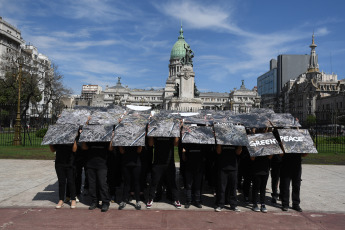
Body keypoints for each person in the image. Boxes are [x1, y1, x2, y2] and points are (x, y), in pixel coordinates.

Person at [146, 136, 181, 209]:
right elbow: (150, 144)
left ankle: (176, 199)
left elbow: (176, 144)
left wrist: (176, 132)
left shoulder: (172, 129)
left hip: (169, 162)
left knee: (172, 182)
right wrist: (151, 133)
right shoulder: (156, 129)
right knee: (154, 181)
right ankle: (150, 199)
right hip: (157, 162)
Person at [82, 136, 113, 212]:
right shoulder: (90, 136)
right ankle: (94, 201)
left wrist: (111, 138)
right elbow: (84, 147)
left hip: (102, 164)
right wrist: (83, 137)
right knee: (92, 184)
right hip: (90, 164)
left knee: (102, 184)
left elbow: (110, 148)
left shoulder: (105, 135)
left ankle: (105, 202)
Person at [50, 137, 78, 209]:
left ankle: (73, 199)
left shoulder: (72, 137)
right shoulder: (59, 138)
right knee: (61, 182)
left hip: (70, 163)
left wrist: (75, 140)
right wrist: (49, 141)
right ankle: (61, 200)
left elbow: (74, 150)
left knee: (71, 181)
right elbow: (53, 150)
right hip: (59, 163)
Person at [215, 144, 242, 212]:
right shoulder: (221, 137)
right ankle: (220, 204)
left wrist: (241, 144)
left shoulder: (235, 139)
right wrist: (219, 142)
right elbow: (218, 152)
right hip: (223, 167)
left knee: (233, 187)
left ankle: (233, 205)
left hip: (233, 167)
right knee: (222, 187)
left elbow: (238, 152)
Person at [118, 146, 143, 210]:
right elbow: (122, 151)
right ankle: (124, 200)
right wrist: (119, 144)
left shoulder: (138, 137)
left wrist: (140, 144)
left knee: (136, 182)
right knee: (126, 182)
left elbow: (139, 151)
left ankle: (138, 201)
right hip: (125, 163)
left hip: (136, 163)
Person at [182, 143, 204, 208]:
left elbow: (204, 158)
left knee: (197, 186)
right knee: (188, 186)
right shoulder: (187, 144)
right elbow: (184, 159)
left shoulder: (201, 144)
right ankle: (188, 201)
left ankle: (197, 201)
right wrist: (183, 153)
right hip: (189, 169)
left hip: (198, 169)